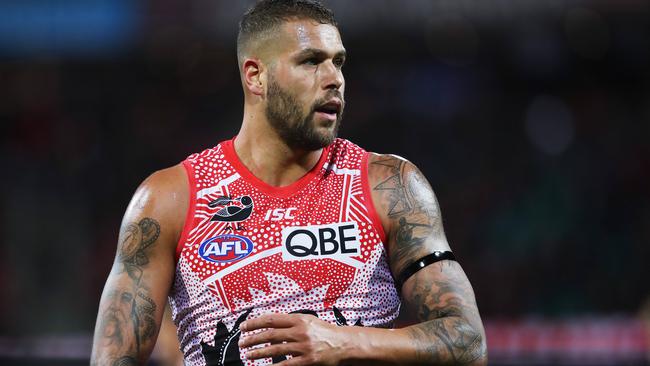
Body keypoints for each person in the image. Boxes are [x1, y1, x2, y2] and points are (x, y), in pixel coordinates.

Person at [90, 0, 487, 365]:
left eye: (339, 62)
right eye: (311, 61)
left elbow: (468, 342)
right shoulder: (170, 198)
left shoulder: (389, 186)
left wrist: (343, 342)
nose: (334, 79)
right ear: (256, 75)